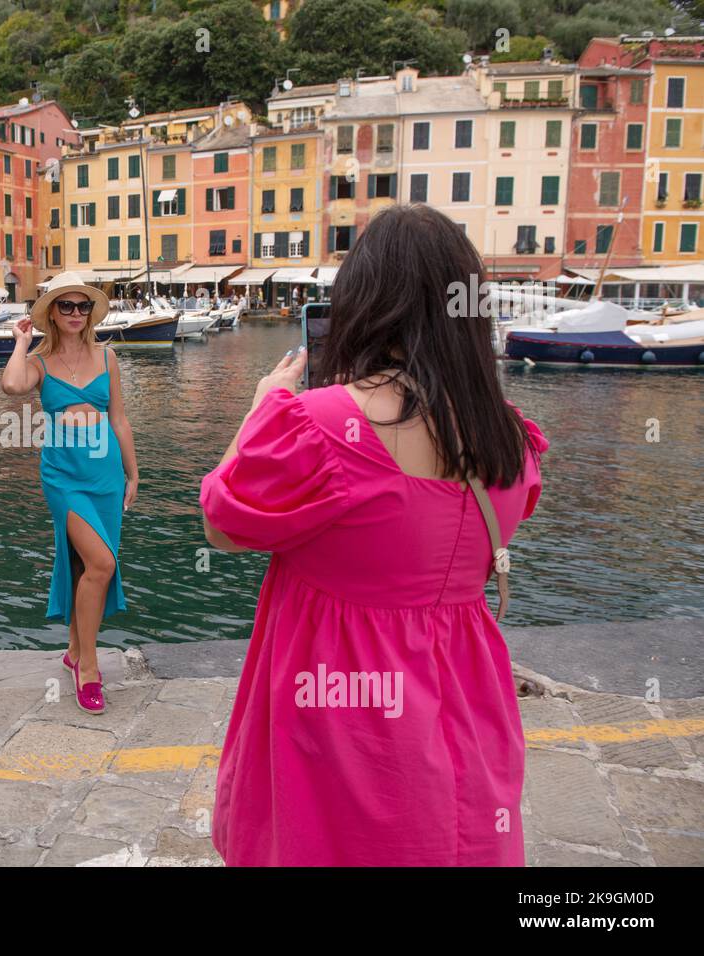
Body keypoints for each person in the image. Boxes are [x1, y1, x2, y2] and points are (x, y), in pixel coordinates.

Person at [199, 204, 548, 866]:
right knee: (453, 834)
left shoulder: (319, 422)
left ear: (363, 301)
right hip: (466, 695)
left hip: (340, 706)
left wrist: (259, 410)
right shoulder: (510, 433)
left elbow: (224, 524)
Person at [1, 271, 139, 714]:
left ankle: (74, 651)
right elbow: (11, 385)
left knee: (87, 567)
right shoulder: (39, 363)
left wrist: (133, 473)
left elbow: (118, 419)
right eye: (67, 306)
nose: (76, 313)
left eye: (83, 306)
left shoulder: (108, 356)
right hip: (63, 476)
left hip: (106, 475)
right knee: (102, 562)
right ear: (51, 313)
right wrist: (20, 343)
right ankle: (89, 668)